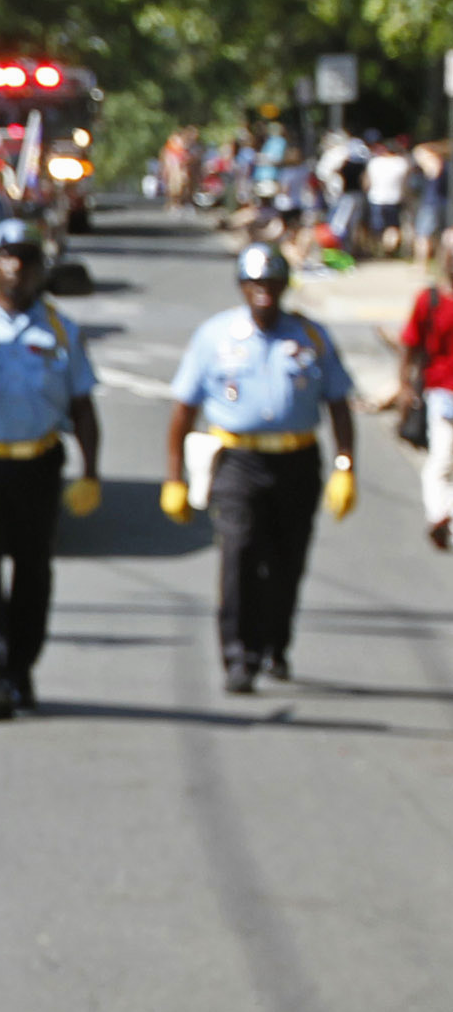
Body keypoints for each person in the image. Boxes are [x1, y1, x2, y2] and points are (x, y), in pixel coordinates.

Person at [162, 241, 357, 692]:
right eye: (255, 283)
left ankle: (276, 646)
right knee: (240, 553)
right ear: (242, 287)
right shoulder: (216, 336)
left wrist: (345, 466)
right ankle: (239, 654)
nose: (263, 292)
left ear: (284, 286)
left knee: (289, 558)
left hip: (297, 458)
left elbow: (339, 404)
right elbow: (183, 410)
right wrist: (174, 477)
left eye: (271, 283)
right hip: (238, 460)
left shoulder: (310, 337)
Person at [0, 215, 102, 721]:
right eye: (7, 258)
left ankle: (22, 667)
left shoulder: (60, 329)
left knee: (34, 571)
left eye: (26, 260)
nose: (16, 269)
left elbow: (82, 405)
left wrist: (91, 470)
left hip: (39, 462)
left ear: (38, 269)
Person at [389, 242, 453, 550]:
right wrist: (404, 387)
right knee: (441, 458)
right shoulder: (430, 300)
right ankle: (439, 514)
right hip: (442, 393)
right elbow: (410, 346)